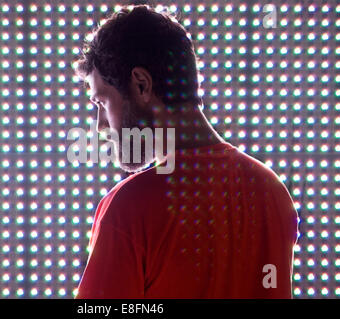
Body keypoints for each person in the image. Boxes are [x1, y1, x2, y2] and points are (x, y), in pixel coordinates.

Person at [74, 5, 298, 298]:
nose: (101, 125)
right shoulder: (272, 193)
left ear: (141, 84)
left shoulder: (129, 208)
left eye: (102, 103)